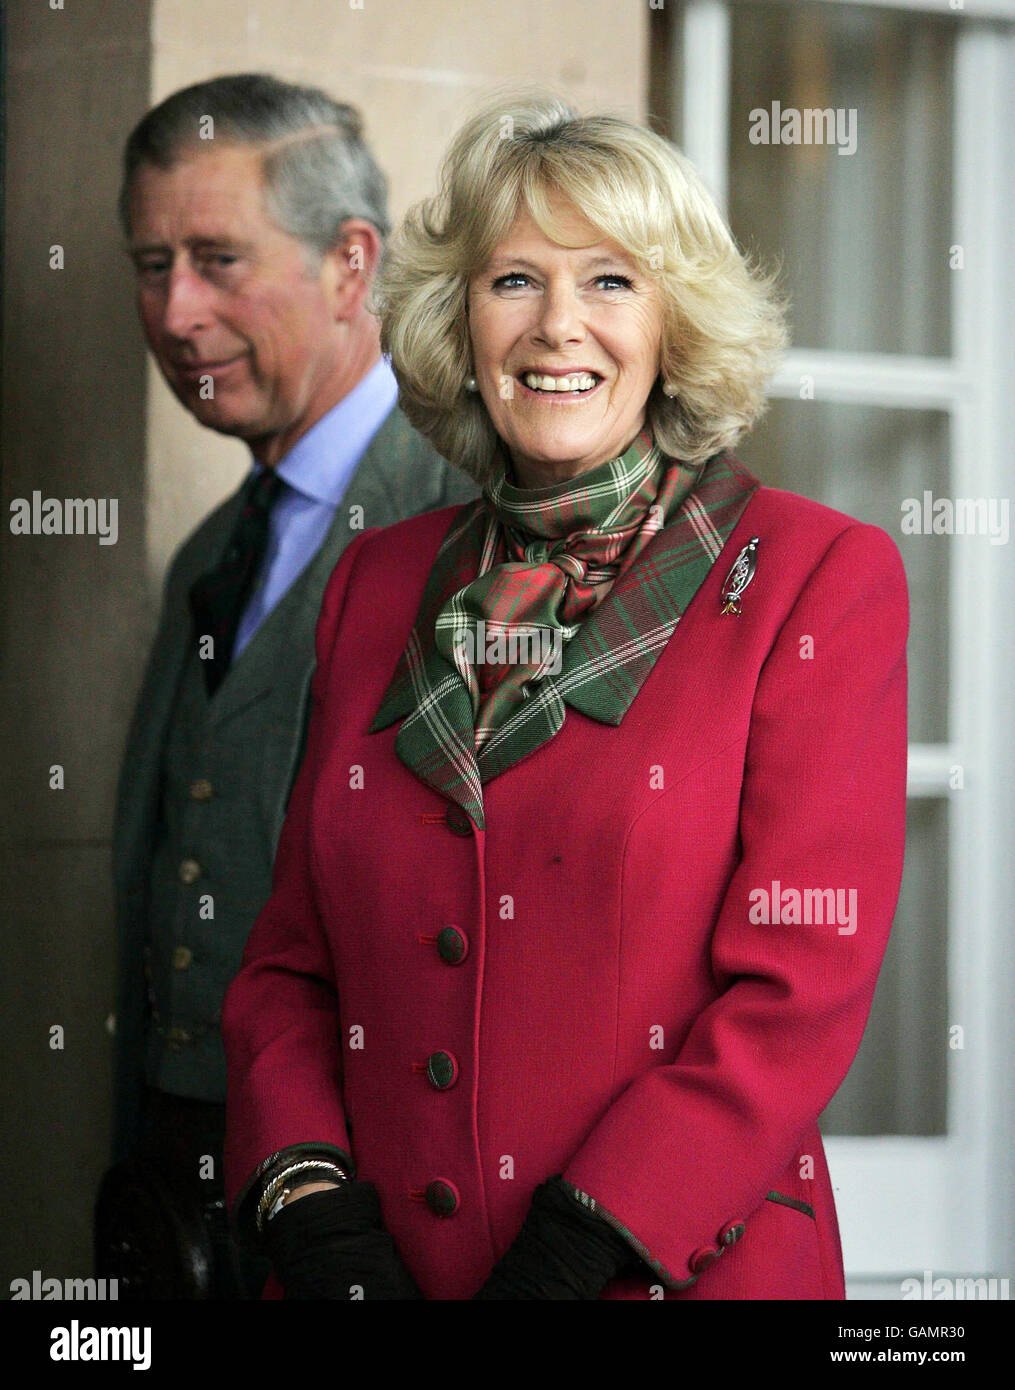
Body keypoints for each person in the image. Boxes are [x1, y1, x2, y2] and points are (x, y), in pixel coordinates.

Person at [221, 92, 909, 1300]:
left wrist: (594, 1236)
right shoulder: (376, 583)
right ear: (460, 318)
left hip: (671, 1271)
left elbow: (796, 991)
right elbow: (290, 961)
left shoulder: (811, 577)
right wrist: (306, 1197)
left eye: (608, 282)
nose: (556, 328)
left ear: (673, 322)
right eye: (512, 282)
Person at [95, 73, 476, 1300]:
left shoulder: (466, 517)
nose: (176, 310)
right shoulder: (212, 552)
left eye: (217, 259)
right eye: (151, 265)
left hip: (363, 1210)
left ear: (351, 264)